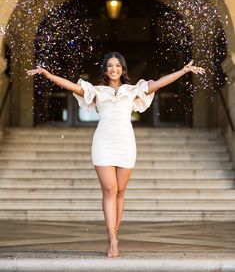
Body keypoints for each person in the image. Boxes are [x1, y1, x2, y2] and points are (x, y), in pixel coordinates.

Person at [27, 51, 205, 257]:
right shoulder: (96, 91)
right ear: (104, 69)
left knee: (120, 191)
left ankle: (114, 233)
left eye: (118, 65)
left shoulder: (132, 90)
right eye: (110, 65)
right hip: (103, 142)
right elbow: (71, 86)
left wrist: (183, 71)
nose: (114, 69)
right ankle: (112, 238)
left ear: (123, 69)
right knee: (109, 189)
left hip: (126, 142)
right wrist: (48, 75)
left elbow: (157, 84)